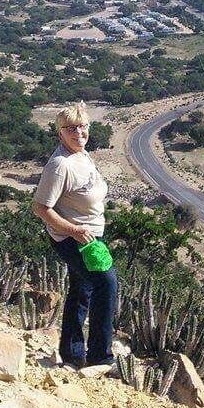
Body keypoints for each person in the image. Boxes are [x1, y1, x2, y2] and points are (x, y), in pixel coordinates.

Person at [32, 101, 118, 368]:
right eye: (70, 128)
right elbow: (40, 208)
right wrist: (74, 230)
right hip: (74, 238)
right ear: (60, 133)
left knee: (81, 290)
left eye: (82, 126)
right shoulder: (60, 164)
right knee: (106, 284)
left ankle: (72, 353)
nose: (78, 133)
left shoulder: (82, 154)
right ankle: (100, 358)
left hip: (90, 234)